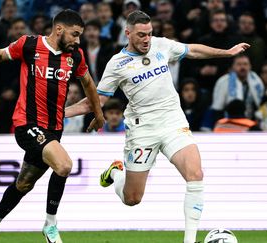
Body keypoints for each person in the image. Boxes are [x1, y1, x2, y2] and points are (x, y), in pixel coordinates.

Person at [65, 10, 250, 243]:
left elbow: (191, 49)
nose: (146, 40)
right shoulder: (117, 64)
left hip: (173, 122)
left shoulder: (161, 45)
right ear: (128, 33)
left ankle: (189, 240)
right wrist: (60, 113)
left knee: (195, 174)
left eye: (150, 34)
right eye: (141, 35)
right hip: (143, 130)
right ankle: (116, 172)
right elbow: (95, 101)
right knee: (132, 198)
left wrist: (227, 53)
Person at [0, 9, 104, 243]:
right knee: (64, 165)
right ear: (59, 29)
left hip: (54, 129)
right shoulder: (30, 45)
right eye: (74, 34)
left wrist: (99, 115)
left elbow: (89, 85)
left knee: (24, 183)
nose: (77, 40)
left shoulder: (76, 56)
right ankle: (50, 225)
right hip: (27, 124)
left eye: (80, 36)